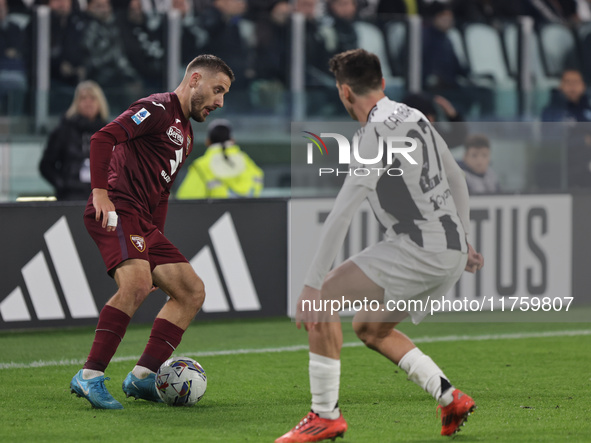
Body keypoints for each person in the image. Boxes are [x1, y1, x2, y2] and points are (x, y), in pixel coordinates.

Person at [275, 49, 484, 443]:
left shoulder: (372, 136)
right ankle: (449, 396)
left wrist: (312, 283)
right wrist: (466, 237)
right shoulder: (414, 115)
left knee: (325, 299)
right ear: (383, 84)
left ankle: (324, 415)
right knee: (370, 327)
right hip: (450, 250)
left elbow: (341, 214)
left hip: (420, 247)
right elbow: (457, 176)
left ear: (343, 92)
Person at [69, 54, 234, 409]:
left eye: (224, 95)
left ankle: (142, 377)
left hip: (143, 220)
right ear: (194, 80)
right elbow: (103, 138)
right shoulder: (157, 107)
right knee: (137, 285)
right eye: (217, 90)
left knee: (191, 292)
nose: (220, 101)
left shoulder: (186, 136)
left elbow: (162, 194)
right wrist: (100, 192)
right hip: (117, 206)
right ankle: (89, 376)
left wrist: (153, 243)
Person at [39, 80, 109, 201]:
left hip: (102, 197)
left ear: (100, 102)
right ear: (76, 102)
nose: (88, 103)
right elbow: (46, 165)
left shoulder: (109, 132)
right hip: (71, 197)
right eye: (83, 98)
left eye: (92, 98)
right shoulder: (63, 130)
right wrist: (63, 184)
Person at [176, 119, 263, 199]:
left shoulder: (201, 166)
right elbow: (257, 188)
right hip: (248, 214)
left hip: (215, 215)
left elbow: (186, 199)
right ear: (232, 140)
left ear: (207, 142)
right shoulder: (247, 161)